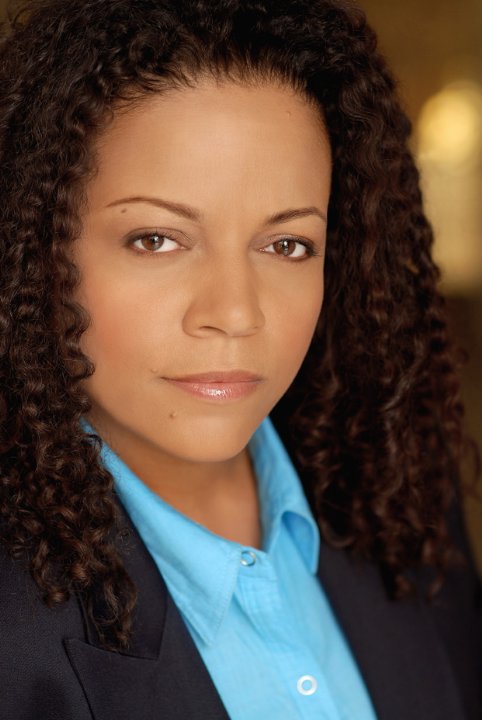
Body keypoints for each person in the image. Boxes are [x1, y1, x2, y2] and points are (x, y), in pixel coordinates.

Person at [0, 0, 480, 718]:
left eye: (287, 245)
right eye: (157, 240)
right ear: (34, 250)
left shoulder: (397, 492)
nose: (234, 312)